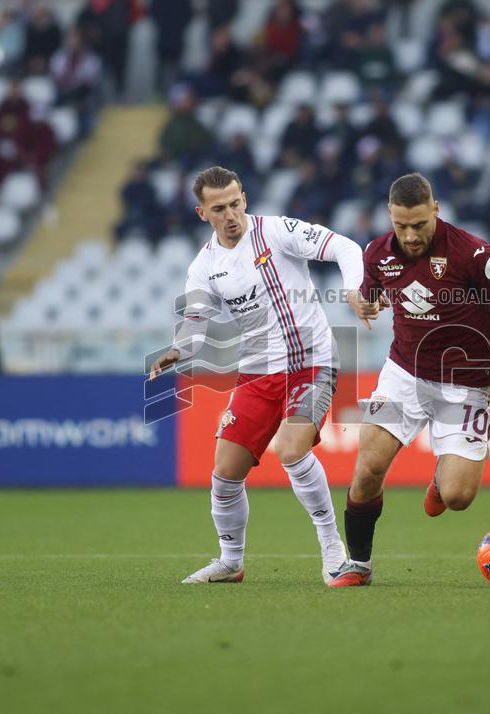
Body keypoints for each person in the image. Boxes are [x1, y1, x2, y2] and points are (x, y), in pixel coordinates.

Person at [148, 166, 368, 585]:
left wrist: (354, 289)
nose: (230, 214)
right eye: (219, 208)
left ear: (244, 199)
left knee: (290, 449)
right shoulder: (205, 266)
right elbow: (195, 324)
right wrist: (178, 348)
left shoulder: (276, 231)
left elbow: (345, 247)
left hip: (312, 361)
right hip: (256, 372)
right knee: (224, 474)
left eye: (235, 203)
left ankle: (333, 550)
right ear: (202, 213)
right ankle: (231, 562)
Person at [329, 173, 490, 587]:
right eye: (401, 225)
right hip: (403, 373)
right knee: (367, 467)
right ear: (390, 215)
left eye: (419, 224)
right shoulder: (377, 252)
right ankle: (359, 565)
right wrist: (367, 302)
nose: (410, 234)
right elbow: (373, 289)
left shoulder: (470, 252)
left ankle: (440, 481)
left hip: (468, 381)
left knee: (458, 497)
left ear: (435, 210)